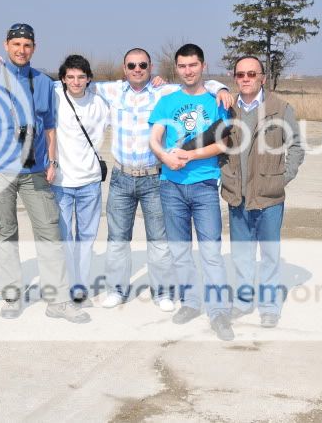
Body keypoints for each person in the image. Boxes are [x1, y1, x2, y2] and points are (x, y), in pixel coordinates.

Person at [92, 48, 232, 311]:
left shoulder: (163, 92)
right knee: (117, 238)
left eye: (142, 65)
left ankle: (163, 292)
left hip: (154, 177)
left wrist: (222, 86)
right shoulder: (112, 91)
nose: (137, 69)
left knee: (159, 240)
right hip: (122, 176)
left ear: (150, 66)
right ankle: (116, 289)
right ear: (124, 68)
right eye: (131, 65)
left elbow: (201, 82)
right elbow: (72, 81)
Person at [0, 23, 89, 323]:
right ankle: (11, 296)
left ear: (34, 48)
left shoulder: (44, 82)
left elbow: (49, 124)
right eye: (16, 44)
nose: (22, 50)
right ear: (7, 45)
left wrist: (52, 160)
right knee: (3, 232)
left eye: (27, 45)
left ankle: (58, 301)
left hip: (35, 170)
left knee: (49, 232)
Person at [148, 43, 235, 341]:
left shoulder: (217, 102)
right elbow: (155, 137)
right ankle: (190, 303)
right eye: (183, 66)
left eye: (193, 65)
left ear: (203, 66)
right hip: (171, 186)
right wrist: (164, 156)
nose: (188, 71)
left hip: (204, 185)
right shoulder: (167, 102)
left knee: (211, 252)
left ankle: (219, 312)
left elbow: (224, 143)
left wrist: (190, 156)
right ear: (177, 69)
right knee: (180, 251)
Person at [220, 56, 305, 328]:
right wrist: (226, 175)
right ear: (235, 78)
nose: (246, 78)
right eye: (240, 74)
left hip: (269, 197)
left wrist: (281, 179)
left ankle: (269, 307)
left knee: (269, 255)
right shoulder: (227, 109)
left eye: (251, 74)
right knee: (242, 255)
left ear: (263, 78)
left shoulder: (280, 109)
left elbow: (296, 147)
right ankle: (244, 302)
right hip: (237, 195)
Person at [51, 54, 109, 304]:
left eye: (81, 77)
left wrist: (219, 85)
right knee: (64, 238)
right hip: (61, 181)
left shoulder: (100, 102)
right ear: (62, 78)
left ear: (89, 79)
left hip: (90, 181)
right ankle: (65, 282)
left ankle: (80, 285)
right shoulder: (53, 94)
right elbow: (23, 79)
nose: (76, 82)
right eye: (70, 77)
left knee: (86, 238)